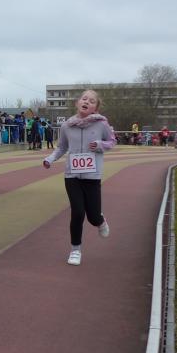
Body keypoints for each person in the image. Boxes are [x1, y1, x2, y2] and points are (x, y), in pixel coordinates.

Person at [43, 89, 115, 266]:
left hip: (92, 176)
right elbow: (61, 147)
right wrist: (50, 159)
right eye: (84, 99)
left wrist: (100, 145)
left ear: (95, 108)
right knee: (77, 212)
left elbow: (112, 141)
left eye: (91, 101)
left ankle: (100, 220)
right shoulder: (67, 126)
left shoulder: (101, 124)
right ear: (77, 103)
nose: (87, 102)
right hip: (72, 176)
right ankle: (75, 250)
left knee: (93, 217)